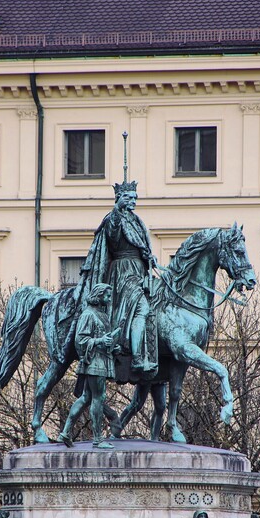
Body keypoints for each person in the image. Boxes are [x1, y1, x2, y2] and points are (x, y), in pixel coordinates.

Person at [80, 180, 159, 375]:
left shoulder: (136, 220)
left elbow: (141, 246)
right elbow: (113, 237)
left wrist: (149, 256)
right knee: (143, 308)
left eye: (134, 197)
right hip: (123, 272)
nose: (133, 200)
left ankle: (149, 351)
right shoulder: (113, 218)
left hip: (139, 271)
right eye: (128, 197)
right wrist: (117, 210)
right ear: (119, 198)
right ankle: (138, 358)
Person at [57, 283, 121, 449]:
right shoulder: (88, 314)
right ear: (99, 296)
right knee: (98, 398)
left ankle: (65, 432)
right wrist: (101, 341)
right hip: (94, 361)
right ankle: (98, 439)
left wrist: (113, 346)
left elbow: (103, 338)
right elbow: (80, 340)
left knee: (86, 397)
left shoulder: (102, 315)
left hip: (101, 359)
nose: (108, 299)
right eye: (106, 296)